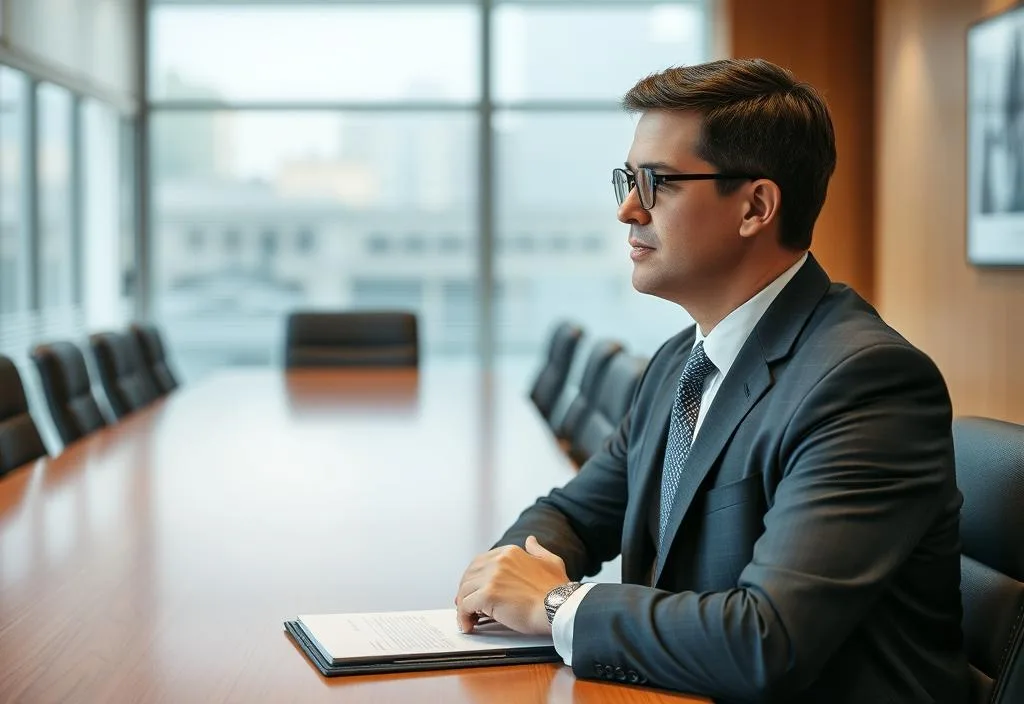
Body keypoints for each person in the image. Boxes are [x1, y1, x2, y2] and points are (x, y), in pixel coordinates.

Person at [455, 58, 968, 704]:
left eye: (656, 183)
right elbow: (573, 515)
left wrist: (557, 605)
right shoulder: (679, 363)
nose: (626, 209)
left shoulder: (867, 384)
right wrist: (514, 571)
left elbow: (765, 640)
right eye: (626, 178)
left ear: (755, 206)